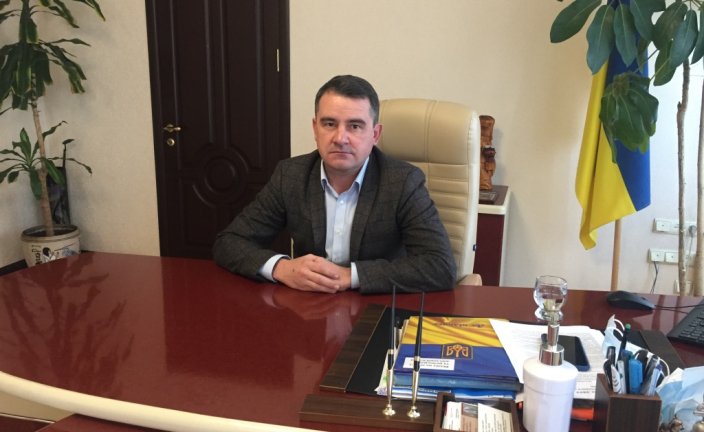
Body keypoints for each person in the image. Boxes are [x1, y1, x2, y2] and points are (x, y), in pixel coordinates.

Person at [213, 75, 456, 294]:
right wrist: (282, 268)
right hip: (309, 306)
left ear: (375, 134)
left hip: (376, 307)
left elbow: (440, 266)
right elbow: (229, 242)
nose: (340, 138)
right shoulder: (290, 175)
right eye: (329, 124)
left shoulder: (402, 182)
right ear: (315, 128)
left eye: (355, 126)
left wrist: (350, 276)